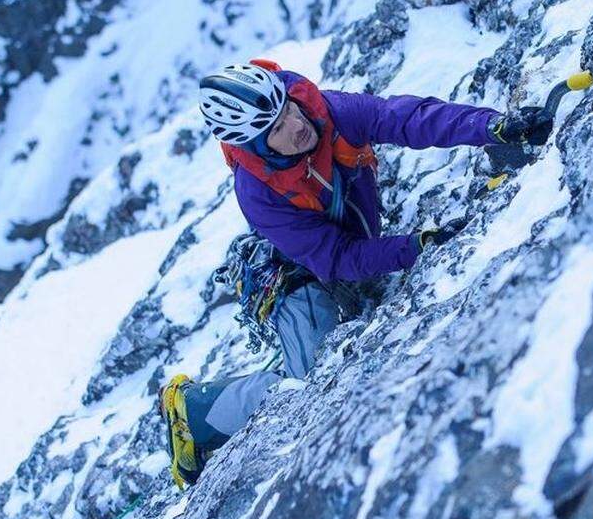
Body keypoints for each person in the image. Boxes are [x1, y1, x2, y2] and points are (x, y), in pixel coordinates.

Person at [159, 59, 554, 488]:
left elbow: (405, 118)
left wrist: (492, 127)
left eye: (288, 108)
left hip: (343, 244)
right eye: (276, 129)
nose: (295, 124)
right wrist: (412, 248)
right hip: (298, 278)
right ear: (256, 148)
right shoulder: (258, 194)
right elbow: (336, 257)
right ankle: (193, 411)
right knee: (308, 388)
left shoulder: (325, 112)